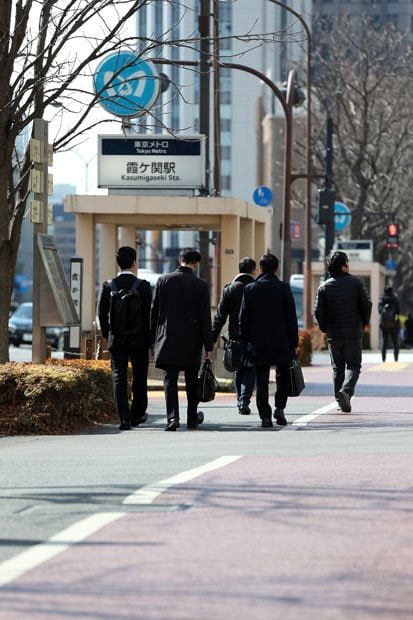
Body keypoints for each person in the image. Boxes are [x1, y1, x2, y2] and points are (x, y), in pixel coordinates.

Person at [150, 247, 213, 431]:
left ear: (180, 260)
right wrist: (208, 345)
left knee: (170, 378)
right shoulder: (200, 285)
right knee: (191, 379)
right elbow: (204, 318)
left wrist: (152, 339)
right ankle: (192, 418)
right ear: (196, 264)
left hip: (167, 338)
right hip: (192, 341)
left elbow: (154, 313)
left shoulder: (164, 281)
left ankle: (172, 418)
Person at [239, 254, 299, 428]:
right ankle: (279, 408)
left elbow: (243, 318)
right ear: (276, 268)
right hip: (281, 341)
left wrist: (244, 340)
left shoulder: (250, 289)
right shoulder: (284, 288)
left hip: (257, 342)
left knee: (262, 378)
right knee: (282, 376)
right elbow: (291, 318)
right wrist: (294, 342)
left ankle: (265, 415)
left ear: (261, 269)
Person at [98, 246, 152, 431]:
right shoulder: (143, 286)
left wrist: (107, 334)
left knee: (118, 377)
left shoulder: (108, 286)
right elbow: (148, 316)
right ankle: (137, 414)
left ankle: (124, 418)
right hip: (139, 340)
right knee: (139, 377)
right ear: (135, 262)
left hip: (117, 339)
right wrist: (149, 339)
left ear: (117, 263)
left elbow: (101, 314)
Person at [314, 250, 372, 413]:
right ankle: (346, 391)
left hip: (333, 334)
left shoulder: (323, 287)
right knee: (354, 365)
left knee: (337, 368)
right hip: (353, 332)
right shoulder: (356, 283)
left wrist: (325, 328)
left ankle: (340, 401)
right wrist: (364, 323)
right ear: (343, 266)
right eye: (347, 262)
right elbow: (367, 305)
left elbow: (318, 312)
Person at [212, 257, 257, 415]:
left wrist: (212, 337)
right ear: (253, 270)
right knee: (250, 368)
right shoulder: (255, 287)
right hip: (253, 336)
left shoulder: (230, 289)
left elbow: (220, 316)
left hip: (235, 335)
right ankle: (244, 399)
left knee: (237, 368)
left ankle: (240, 400)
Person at [378, 286, 400, 362]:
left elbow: (379, 310)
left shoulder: (382, 299)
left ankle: (383, 359)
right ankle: (396, 359)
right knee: (395, 342)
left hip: (384, 325)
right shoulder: (395, 298)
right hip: (394, 324)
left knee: (384, 342)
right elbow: (398, 311)